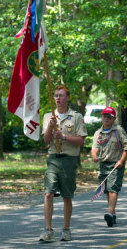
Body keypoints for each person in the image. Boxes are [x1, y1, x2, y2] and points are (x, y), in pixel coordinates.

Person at [39, 85, 87, 242]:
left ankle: (66, 229)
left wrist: (63, 137)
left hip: (69, 159)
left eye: (61, 95)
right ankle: (48, 230)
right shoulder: (49, 116)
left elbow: (80, 140)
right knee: (48, 192)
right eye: (56, 95)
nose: (58, 98)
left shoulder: (76, 117)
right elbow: (46, 140)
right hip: (53, 158)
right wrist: (50, 127)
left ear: (68, 98)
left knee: (67, 195)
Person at [91, 107, 127, 227]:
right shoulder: (98, 133)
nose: (106, 119)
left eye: (109, 117)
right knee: (107, 189)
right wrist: (94, 156)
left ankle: (109, 212)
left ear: (114, 118)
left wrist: (121, 161)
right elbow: (94, 148)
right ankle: (112, 213)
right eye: (104, 116)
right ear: (101, 117)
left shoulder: (118, 130)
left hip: (116, 163)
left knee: (113, 187)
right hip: (103, 164)